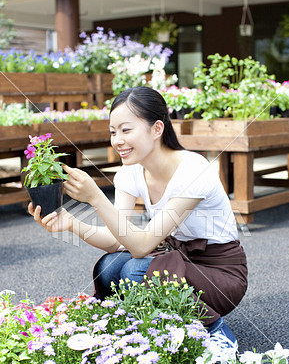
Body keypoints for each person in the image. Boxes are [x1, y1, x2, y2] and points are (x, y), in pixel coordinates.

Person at [28, 86, 247, 348]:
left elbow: (142, 245)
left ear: (156, 129)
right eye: (112, 131)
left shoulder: (193, 170)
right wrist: (72, 224)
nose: (117, 140)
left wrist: (96, 198)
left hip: (219, 273)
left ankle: (215, 333)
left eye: (126, 130)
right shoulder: (130, 173)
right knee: (109, 267)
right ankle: (144, 333)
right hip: (177, 261)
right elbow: (117, 239)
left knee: (137, 269)